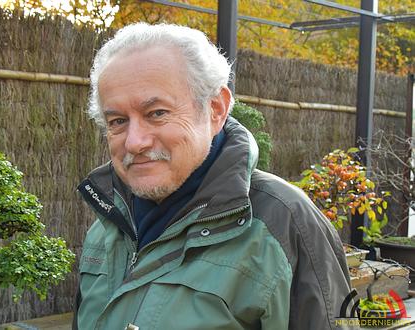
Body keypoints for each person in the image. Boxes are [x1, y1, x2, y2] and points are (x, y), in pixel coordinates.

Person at [74, 23, 351, 330]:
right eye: (118, 121)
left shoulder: (283, 226)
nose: (135, 142)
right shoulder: (105, 228)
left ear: (215, 109)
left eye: (157, 113)